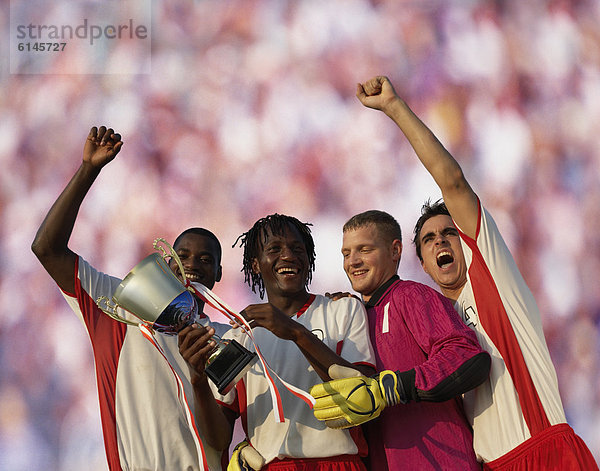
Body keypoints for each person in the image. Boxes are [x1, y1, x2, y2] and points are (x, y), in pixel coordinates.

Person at [315, 76, 599, 470]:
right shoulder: (429, 317)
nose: (440, 243)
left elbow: (453, 181)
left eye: (449, 233)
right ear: (421, 261)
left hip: (543, 449)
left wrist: (395, 108)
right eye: (428, 240)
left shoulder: (493, 277)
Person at [31, 126, 230, 471]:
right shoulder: (118, 308)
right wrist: (88, 170)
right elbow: (47, 249)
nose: (192, 265)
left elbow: (222, 438)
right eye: (182, 256)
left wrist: (199, 378)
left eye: (205, 259)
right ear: (167, 264)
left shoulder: (227, 341)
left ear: (218, 274)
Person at [178, 213, 377, 470]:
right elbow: (219, 438)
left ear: (308, 259)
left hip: (338, 462)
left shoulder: (344, 309)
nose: (288, 256)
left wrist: (296, 332)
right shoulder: (239, 335)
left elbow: (365, 396)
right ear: (256, 265)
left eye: (298, 249)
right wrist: (198, 380)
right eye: (274, 249)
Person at [311, 209, 491, 470]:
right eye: (346, 254)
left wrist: (395, 387)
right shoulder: (350, 315)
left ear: (395, 251)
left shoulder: (411, 295)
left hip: (442, 462)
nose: (353, 261)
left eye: (364, 249)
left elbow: (466, 355)